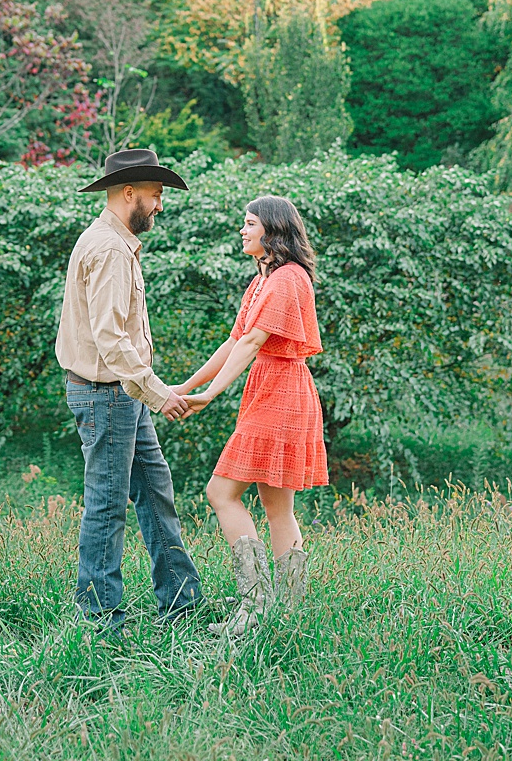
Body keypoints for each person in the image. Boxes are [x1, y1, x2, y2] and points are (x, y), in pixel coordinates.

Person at [166, 195, 328, 637]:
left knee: (221, 492)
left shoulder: (287, 279)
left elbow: (253, 342)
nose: (242, 230)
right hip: (271, 389)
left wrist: (210, 395)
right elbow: (232, 343)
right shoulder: (262, 281)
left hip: (283, 391)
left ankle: (255, 609)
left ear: (272, 230)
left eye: (250, 223)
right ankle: (286, 615)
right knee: (277, 508)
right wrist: (186, 387)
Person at [55, 148, 201, 634]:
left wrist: (146, 391)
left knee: (155, 493)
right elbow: (111, 341)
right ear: (130, 192)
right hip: (108, 395)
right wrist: (159, 393)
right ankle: (100, 620)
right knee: (107, 503)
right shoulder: (111, 251)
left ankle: (181, 605)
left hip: (121, 394)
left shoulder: (116, 244)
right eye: (157, 195)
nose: (160, 204)